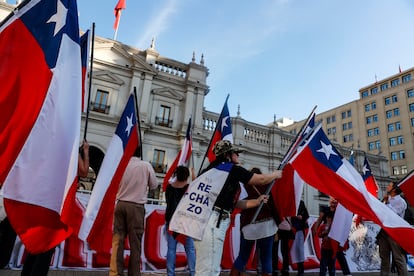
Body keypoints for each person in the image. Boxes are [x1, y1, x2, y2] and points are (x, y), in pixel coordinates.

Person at [194, 140, 283, 276]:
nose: (238, 156)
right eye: (236, 153)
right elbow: (261, 180)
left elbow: (234, 203)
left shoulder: (210, 171)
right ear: (228, 154)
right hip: (215, 220)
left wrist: (257, 201)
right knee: (210, 267)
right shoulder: (231, 169)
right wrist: (276, 174)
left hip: (208, 219)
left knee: (208, 264)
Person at [21, 140, 90, 276]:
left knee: (37, 241)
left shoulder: (50, 148)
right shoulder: (71, 151)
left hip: (43, 199)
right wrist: (85, 152)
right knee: (48, 242)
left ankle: (28, 272)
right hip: (57, 203)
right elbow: (84, 172)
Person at [109, 146, 158, 276]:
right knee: (135, 243)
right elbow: (154, 185)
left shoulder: (122, 165)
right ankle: (134, 273)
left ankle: (115, 273)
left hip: (120, 204)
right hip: (136, 207)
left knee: (117, 241)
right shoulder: (145, 165)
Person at [230, 167, 280, 276]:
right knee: (266, 258)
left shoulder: (244, 186)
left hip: (249, 225)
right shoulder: (267, 186)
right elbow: (274, 206)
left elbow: (238, 203)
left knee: (242, 256)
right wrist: (278, 225)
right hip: (267, 225)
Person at [165, 166, 196, 276]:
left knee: (171, 250)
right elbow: (197, 190)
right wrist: (193, 174)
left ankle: (170, 273)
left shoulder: (169, 188)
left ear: (176, 174)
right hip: (185, 222)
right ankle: (193, 273)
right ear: (187, 176)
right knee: (190, 250)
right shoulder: (189, 188)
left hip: (171, 222)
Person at [313, 197, 351, 276]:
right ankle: (345, 273)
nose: (334, 201)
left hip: (336, 236)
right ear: (329, 200)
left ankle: (346, 273)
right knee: (327, 260)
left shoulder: (340, 211)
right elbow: (319, 220)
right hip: (327, 238)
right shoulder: (325, 210)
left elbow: (344, 222)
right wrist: (315, 230)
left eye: (336, 199)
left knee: (338, 255)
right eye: (332, 199)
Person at [376, 182, 408, 276]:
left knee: (398, 258)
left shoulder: (401, 202)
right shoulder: (387, 199)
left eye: (389, 185)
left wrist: (388, 202)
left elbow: (394, 214)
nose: (387, 186)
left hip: (395, 232)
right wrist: (385, 201)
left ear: (394, 189)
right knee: (384, 258)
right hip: (384, 231)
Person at [291, 200, 309, 276]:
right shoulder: (288, 201)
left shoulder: (300, 202)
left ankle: (300, 270)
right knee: (288, 249)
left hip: (298, 229)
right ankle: (286, 268)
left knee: (299, 250)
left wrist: (301, 216)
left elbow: (306, 215)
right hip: (289, 229)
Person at [317, 211, 336, 276]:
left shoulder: (335, 227)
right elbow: (318, 235)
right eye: (328, 218)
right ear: (326, 218)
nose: (329, 219)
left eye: (331, 218)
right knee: (323, 265)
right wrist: (323, 233)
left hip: (332, 248)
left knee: (332, 266)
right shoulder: (323, 226)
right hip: (324, 248)